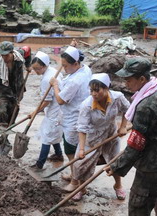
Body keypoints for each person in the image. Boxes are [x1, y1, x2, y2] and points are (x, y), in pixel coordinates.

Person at [107, 57, 157, 216]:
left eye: (129, 79)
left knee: (139, 199)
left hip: (152, 160)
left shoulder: (145, 106)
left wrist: (116, 167)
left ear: (142, 79)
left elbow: (135, 146)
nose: (126, 83)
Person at [72, 73, 129, 201]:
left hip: (111, 133)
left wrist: (123, 126)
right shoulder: (87, 105)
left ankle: (118, 185)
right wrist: (81, 149)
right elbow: (82, 128)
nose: (93, 94)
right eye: (91, 90)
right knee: (80, 163)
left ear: (107, 88)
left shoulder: (117, 97)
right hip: (93, 135)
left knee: (114, 160)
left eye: (97, 90)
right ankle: (81, 188)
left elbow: (128, 110)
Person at [49, 46, 91, 191]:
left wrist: (55, 85)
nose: (64, 68)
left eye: (66, 66)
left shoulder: (76, 80)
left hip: (74, 118)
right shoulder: (85, 68)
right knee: (71, 148)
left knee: (71, 150)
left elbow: (60, 100)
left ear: (75, 64)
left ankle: (75, 181)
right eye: (63, 65)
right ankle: (74, 174)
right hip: (77, 115)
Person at [29, 51, 63, 170]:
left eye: (38, 69)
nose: (36, 72)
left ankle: (40, 164)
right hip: (59, 109)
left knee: (47, 136)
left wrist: (35, 111)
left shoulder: (46, 79)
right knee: (52, 133)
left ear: (44, 66)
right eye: (34, 69)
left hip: (55, 111)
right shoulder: (53, 71)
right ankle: (59, 154)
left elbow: (46, 101)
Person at [0, 41, 26, 126]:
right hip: (3, 90)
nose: (4, 58)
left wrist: (28, 65)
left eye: (6, 55)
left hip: (17, 90)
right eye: (2, 55)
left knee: (13, 112)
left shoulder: (19, 57)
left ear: (12, 53)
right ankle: (1, 133)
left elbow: (28, 49)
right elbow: (0, 85)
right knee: (2, 111)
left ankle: (5, 136)